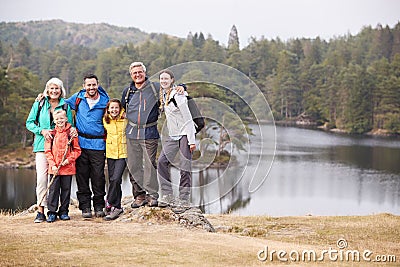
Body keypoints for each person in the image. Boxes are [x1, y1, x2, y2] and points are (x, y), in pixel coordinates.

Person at [121, 62, 185, 208]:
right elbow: (123, 109)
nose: (137, 75)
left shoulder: (155, 87)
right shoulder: (127, 92)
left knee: (150, 164)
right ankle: (139, 195)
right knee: (133, 165)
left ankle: (152, 195)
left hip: (149, 132)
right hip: (131, 133)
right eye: (134, 73)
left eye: (140, 72)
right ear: (131, 74)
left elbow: (172, 89)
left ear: (144, 72)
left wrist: (183, 87)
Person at [26, 77, 74, 223]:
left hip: (61, 148)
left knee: (59, 180)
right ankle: (40, 210)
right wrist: (42, 131)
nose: (54, 91)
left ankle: (57, 210)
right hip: (42, 146)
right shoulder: (40, 103)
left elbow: (70, 125)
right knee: (42, 179)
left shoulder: (65, 105)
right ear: (47, 89)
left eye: (57, 88)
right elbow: (29, 123)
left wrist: (73, 132)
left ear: (61, 91)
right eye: (51, 88)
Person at [65, 74, 109, 218]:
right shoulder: (78, 99)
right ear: (84, 86)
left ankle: (99, 205)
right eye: (88, 85)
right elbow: (60, 103)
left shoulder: (105, 101)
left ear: (98, 85)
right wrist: (44, 96)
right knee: (82, 176)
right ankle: (85, 207)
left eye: (93, 85)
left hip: (98, 144)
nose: (91, 87)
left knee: (98, 176)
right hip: (80, 144)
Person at [157, 69, 196, 210]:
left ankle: (184, 199)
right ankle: (167, 196)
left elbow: (188, 118)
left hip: (185, 133)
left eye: (166, 79)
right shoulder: (163, 94)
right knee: (162, 161)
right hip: (173, 134)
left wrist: (192, 140)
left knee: (185, 166)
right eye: (161, 79)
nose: (163, 81)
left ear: (172, 80)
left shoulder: (179, 96)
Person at [44, 109, 81, 222]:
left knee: (66, 190)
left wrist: (69, 160)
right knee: (53, 190)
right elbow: (47, 151)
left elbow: (77, 150)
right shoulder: (51, 134)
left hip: (67, 168)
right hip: (54, 169)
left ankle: (64, 211)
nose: (60, 120)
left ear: (66, 119)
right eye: (57, 119)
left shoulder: (71, 133)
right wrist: (53, 165)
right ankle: (52, 212)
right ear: (54, 120)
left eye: (62, 118)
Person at [103, 99, 126, 220]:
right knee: (113, 180)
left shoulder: (126, 119)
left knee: (116, 179)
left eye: (116, 108)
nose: (114, 110)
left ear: (120, 108)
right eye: (111, 108)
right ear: (108, 109)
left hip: (123, 153)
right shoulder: (105, 120)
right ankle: (117, 207)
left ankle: (109, 201)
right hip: (111, 153)